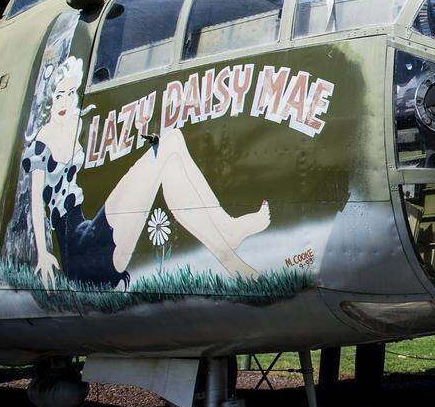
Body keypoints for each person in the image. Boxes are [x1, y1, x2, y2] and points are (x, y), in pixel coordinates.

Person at [26, 56, 270, 289]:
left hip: (91, 237)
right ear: (50, 99)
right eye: (59, 95)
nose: (65, 101)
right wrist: (43, 253)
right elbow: (36, 201)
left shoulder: (71, 129)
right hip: (82, 254)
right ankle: (226, 235)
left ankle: (231, 257)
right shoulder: (42, 142)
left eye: (70, 94)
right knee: (170, 142)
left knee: (172, 153)